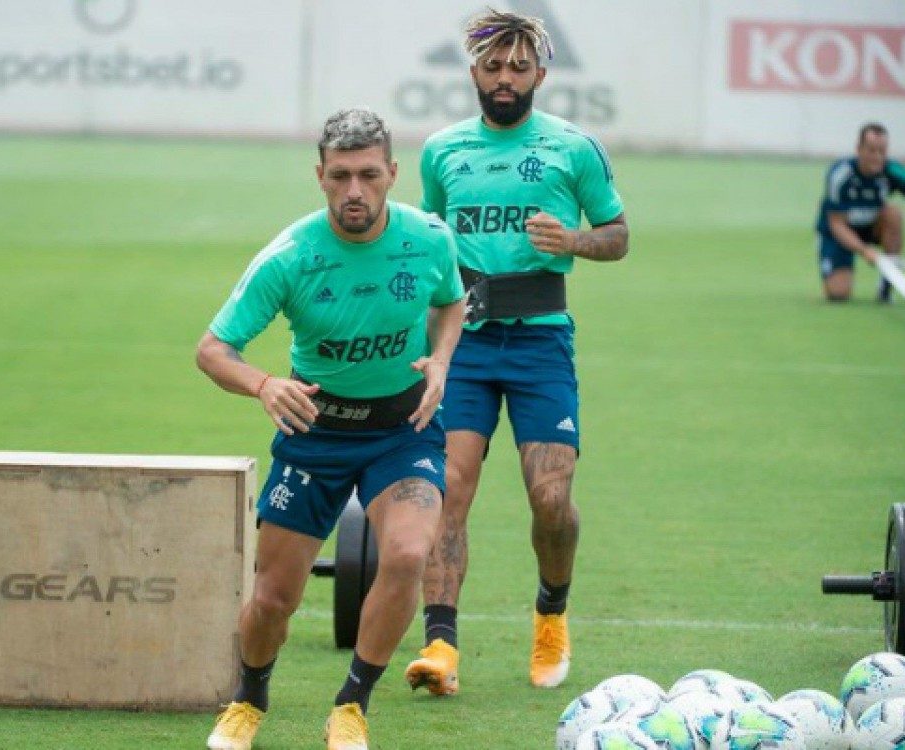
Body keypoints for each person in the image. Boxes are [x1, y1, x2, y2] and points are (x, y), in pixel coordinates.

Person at [197, 108, 465, 750]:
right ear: (320, 176)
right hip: (315, 433)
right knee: (273, 598)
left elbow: (451, 302)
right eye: (340, 176)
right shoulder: (290, 257)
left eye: (369, 175)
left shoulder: (429, 239)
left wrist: (442, 362)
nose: (354, 191)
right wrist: (264, 384)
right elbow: (212, 349)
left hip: (404, 428)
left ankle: (351, 705)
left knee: (405, 554)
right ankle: (248, 699)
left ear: (392, 174)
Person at [403, 8, 628, 696]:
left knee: (552, 499)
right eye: (494, 67)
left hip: (539, 345)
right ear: (473, 71)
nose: (506, 79)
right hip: (464, 345)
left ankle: (551, 614)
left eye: (519, 67)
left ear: (541, 73)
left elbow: (617, 234)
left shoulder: (572, 149)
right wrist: (424, 343)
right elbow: (435, 244)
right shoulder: (442, 151)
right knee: (448, 492)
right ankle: (441, 646)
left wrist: (575, 242)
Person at [815, 122, 905, 302]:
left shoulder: (893, 171)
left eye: (882, 151)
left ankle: (886, 285)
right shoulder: (840, 174)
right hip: (839, 231)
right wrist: (864, 250)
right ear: (858, 149)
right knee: (838, 294)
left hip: (871, 227)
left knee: (894, 214)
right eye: (871, 150)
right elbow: (836, 223)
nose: (877, 157)